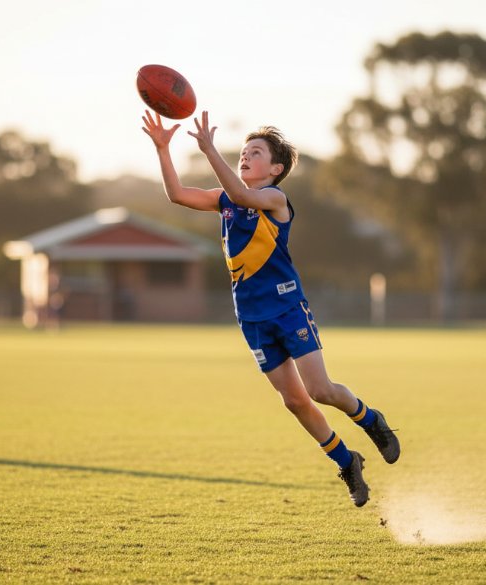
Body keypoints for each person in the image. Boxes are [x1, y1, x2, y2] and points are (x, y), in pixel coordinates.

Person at [141, 110, 400, 507]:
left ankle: (371, 420)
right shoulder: (223, 200)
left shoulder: (275, 199)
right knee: (295, 401)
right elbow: (176, 194)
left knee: (320, 389)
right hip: (252, 317)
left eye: (255, 152)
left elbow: (246, 197)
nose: (245, 157)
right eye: (243, 151)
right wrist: (163, 148)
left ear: (276, 168)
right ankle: (348, 462)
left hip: (287, 307)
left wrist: (210, 150)